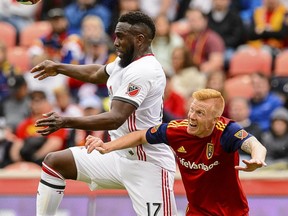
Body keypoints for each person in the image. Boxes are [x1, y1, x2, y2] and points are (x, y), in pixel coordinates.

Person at [30, 11, 177, 216]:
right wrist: (58, 67)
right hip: (117, 156)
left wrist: (66, 121)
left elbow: (115, 118)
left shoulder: (145, 70)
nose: (115, 42)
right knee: (55, 162)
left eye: (121, 36)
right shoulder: (124, 62)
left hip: (147, 164)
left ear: (140, 39)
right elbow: (97, 73)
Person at [86, 88, 267, 216]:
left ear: (215, 119)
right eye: (191, 109)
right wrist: (108, 146)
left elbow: (254, 144)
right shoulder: (177, 130)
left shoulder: (226, 131)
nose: (191, 116)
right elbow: (141, 136)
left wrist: (257, 159)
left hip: (233, 212)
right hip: (198, 212)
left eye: (200, 113)